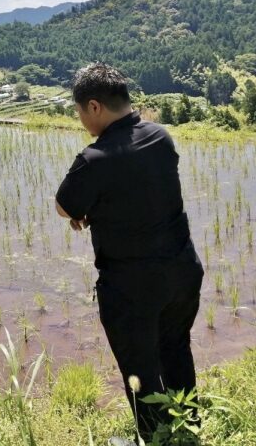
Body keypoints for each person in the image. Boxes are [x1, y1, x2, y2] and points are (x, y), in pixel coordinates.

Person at [54, 63, 204, 443]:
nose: (81, 120)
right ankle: (188, 429)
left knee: (139, 370)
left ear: (93, 106)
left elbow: (64, 206)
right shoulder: (160, 137)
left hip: (131, 286)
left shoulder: (94, 158)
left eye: (78, 112)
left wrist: (86, 212)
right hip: (181, 272)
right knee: (176, 349)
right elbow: (142, 191)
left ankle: (154, 439)